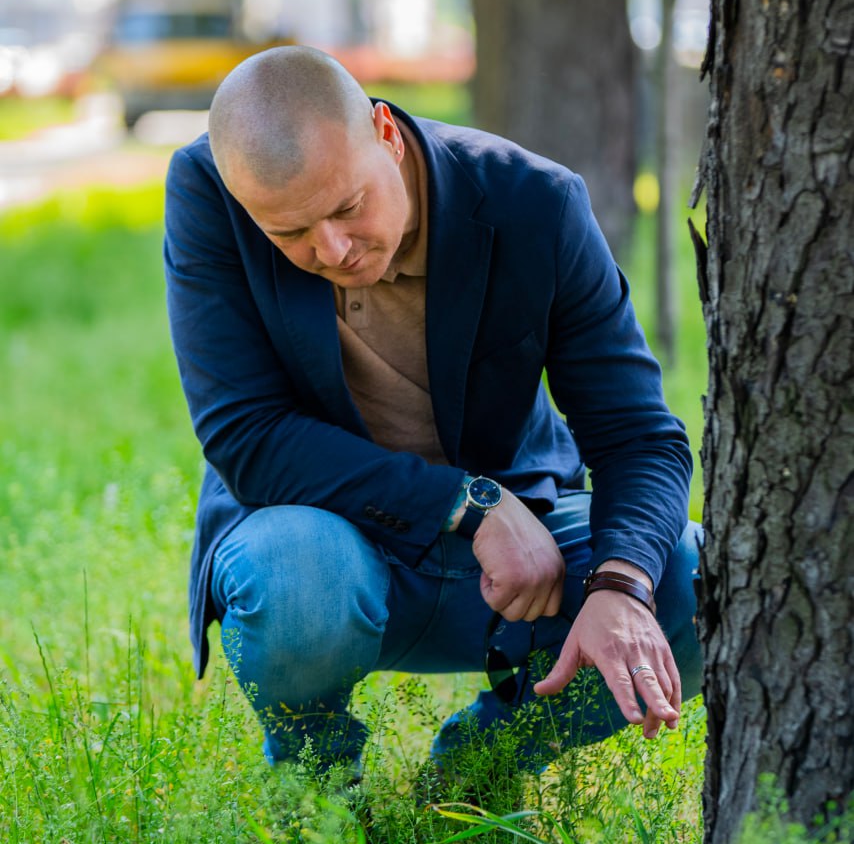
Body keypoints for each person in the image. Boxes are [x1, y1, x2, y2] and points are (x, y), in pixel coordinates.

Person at [164, 45, 701, 785]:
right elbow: (245, 435)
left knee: (698, 581)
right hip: (323, 542)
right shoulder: (206, 188)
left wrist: (619, 585)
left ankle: (474, 780)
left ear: (384, 131)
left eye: (348, 207)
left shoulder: (534, 202)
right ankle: (319, 808)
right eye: (289, 234)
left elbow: (638, 437)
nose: (331, 249)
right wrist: (467, 505)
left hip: (527, 552)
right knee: (293, 578)